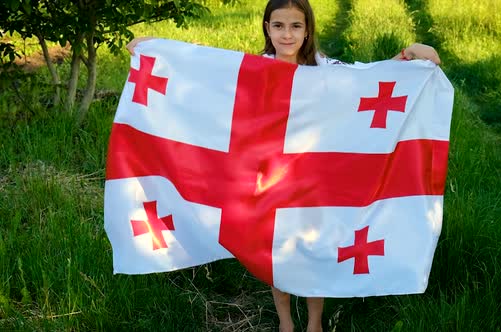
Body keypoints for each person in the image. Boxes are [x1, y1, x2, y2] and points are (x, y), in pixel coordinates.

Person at [126, 1, 441, 331]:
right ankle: (286, 322)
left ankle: (315, 322)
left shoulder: (324, 69)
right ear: (267, 28)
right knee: (277, 250)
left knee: (312, 247)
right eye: (278, 26)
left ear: (307, 31)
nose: (287, 34)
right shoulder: (255, 69)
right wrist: (155, 49)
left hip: (313, 179)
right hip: (270, 179)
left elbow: (367, 80)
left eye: (295, 26)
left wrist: (408, 56)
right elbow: (205, 78)